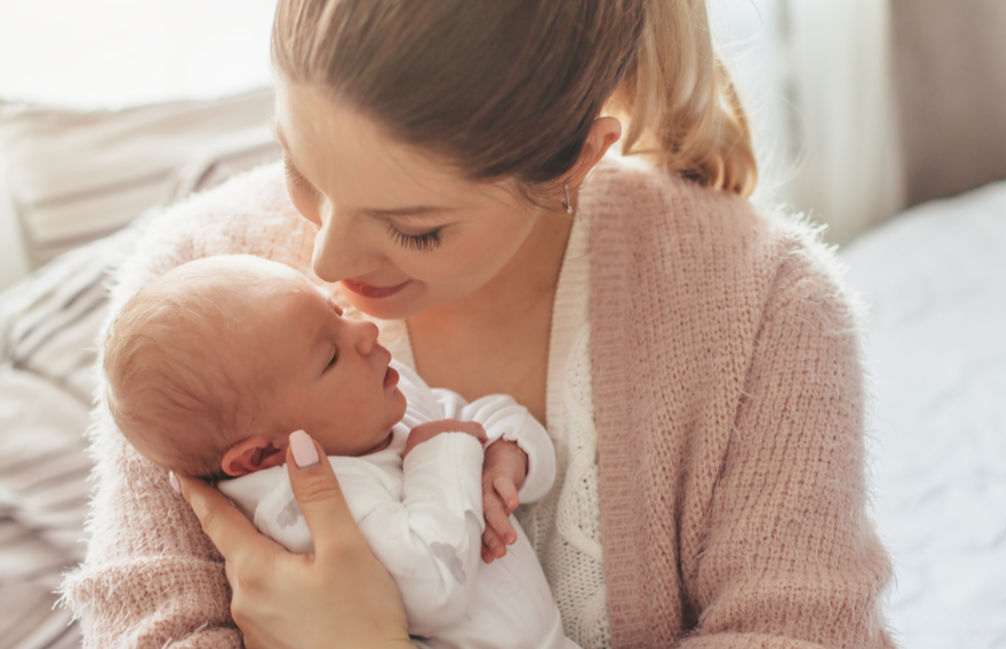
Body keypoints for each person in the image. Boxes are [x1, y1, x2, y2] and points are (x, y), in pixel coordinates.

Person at [62, 2, 896, 648]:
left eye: (414, 227)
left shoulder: (766, 310)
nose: (325, 260)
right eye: (301, 169)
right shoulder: (194, 294)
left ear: (577, 159)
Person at [101, 254, 577, 649]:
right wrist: (441, 453)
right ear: (261, 456)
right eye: (330, 356)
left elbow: (471, 416)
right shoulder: (299, 507)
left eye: (336, 311)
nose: (365, 331)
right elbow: (434, 586)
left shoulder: (375, 409)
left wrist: (508, 454)